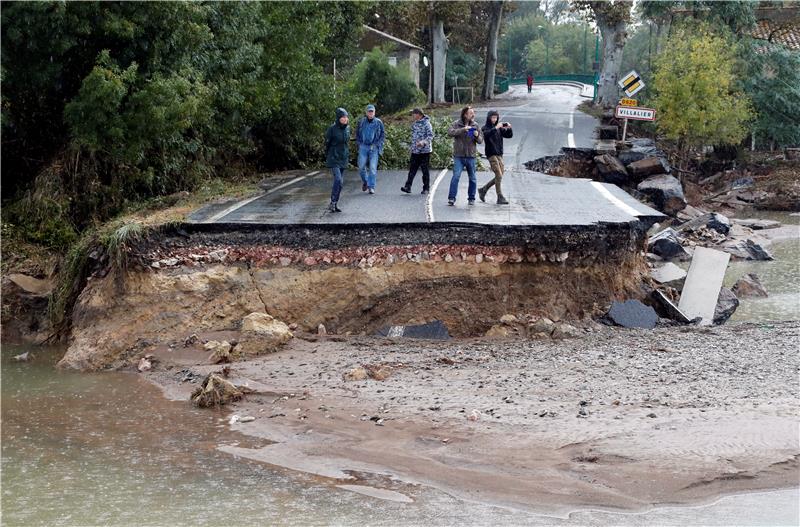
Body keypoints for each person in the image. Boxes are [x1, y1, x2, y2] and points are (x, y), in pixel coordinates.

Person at [446, 106, 483, 206]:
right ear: (465, 114)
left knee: (473, 178)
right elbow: (450, 132)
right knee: (456, 177)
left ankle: (471, 198)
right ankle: (451, 198)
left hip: (471, 156)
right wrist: (463, 129)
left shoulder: (475, 125)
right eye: (471, 113)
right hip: (459, 156)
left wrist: (476, 135)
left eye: (473, 113)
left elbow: (480, 141)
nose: (473, 114)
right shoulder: (456, 124)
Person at [478, 110, 513, 205]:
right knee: (498, 174)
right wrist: (496, 128)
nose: (494, 119)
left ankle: (483, 190)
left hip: (499, 154)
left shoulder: (499, 128)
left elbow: (509, 136)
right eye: (493, 117)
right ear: (489, 118)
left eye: (496, 117)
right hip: (491, 154)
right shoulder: (485, 128)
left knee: (500, 175)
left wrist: (509, 128)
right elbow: (486, 135)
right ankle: (500, 196)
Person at [401, 108, 434, 195]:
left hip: (425, 151)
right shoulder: (415, 124)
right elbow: (413, 136)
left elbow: (430, 136)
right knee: (412, 169)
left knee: (425, 170)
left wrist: (423, 142)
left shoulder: (427, 124)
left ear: (419, 114)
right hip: (415, 150)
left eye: (414, 114)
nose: (412, 115)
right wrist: (411, 146)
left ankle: (426, 188)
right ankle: (408, 186)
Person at [324, 108, 350, 212]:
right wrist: (329, 155)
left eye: (346, 117)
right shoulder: (332, 129)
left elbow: (346, 143)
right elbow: (327, 143)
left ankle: (335, 203)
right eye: (343, 117)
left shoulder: (348, 128)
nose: (345, 119)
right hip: (333, 157)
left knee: (340, 183)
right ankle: (333, 202)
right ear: (338, 118)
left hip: (343, 157)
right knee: (338, 179)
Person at [355, 104, 385, 194]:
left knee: (372, 168)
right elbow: (357, 133)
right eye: (369, 111)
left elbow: (382, 135)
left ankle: (371, 186)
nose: (371, 113)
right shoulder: (361, 122)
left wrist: (377, 144)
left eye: (372, 111)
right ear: (366, 112)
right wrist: (359, 143)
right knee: (361, 167)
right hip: (363, 146)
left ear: (374, 112)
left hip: (374, 147)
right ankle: (366, 182)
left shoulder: (378, 122)